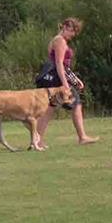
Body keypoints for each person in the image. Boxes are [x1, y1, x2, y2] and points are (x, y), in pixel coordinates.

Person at [43, 16, 99, 145]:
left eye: (75, 31)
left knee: (49, 109)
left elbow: (62, 65)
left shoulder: (55, 40)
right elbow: (59, 64)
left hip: (57, 78)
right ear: (64, 27)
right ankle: (82, 137)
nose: (73, 34)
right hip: (58, 79)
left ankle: (37, 140)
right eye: (72, 30)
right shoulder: (60, 41)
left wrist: (75, 79)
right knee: (76, 104)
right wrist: (65, 84)